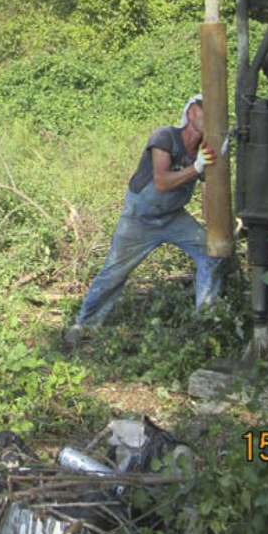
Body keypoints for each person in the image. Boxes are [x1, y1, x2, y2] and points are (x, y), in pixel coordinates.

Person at [65, 94, 222, 347]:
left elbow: (208, 199)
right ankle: (84, 324)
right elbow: (160, 182)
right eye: (203, 110)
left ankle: (206, 323)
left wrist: (220, 222)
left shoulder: (205, 151)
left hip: (173, 218)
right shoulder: (165, 137)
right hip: (140, 219)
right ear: (191, 112)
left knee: (212, 254)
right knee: (114, 272)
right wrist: (196, 169)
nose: (209, 116)